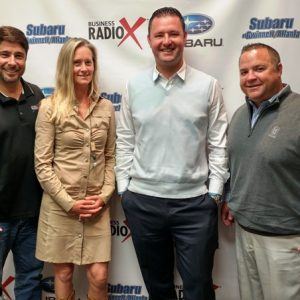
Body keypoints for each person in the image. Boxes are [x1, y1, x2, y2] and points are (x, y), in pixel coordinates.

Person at [115, 7, 228, 300]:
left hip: (195, 206)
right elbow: (125, 139)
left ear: (185, 37)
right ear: (149, 40)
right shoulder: (133, 86)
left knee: (199, 289)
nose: (167, 41)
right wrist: (124, 190)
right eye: (160, 35)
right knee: (159, 288)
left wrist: (214, 195)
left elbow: (218, 144)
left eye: (173, 33)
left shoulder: (208, 86)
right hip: (143, 203)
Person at [34, 37, 116, 300]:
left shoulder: (106, 108)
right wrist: (69, 203)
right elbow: (43, 164)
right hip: (60, 208)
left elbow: (111, 157)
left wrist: (103, 197)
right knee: (64, 274)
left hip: (96, 206)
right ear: (66, 68)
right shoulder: (49, 107)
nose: (83, 68)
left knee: (99, 276)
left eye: (88, 62)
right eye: (76, 63)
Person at [221, 43, 300, 300]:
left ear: (279, 70)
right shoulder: (241, 114)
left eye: (259, 68)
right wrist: (232, 198)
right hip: (246, 233)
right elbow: (240, 164)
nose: (250, 77)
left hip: (287, 242)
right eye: (244, 72)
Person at [0, 26, 44, 300]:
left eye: (19, 55)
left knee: (30, 283)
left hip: (33, 215)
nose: (12, 62)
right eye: (4, 54)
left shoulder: (37, 95)